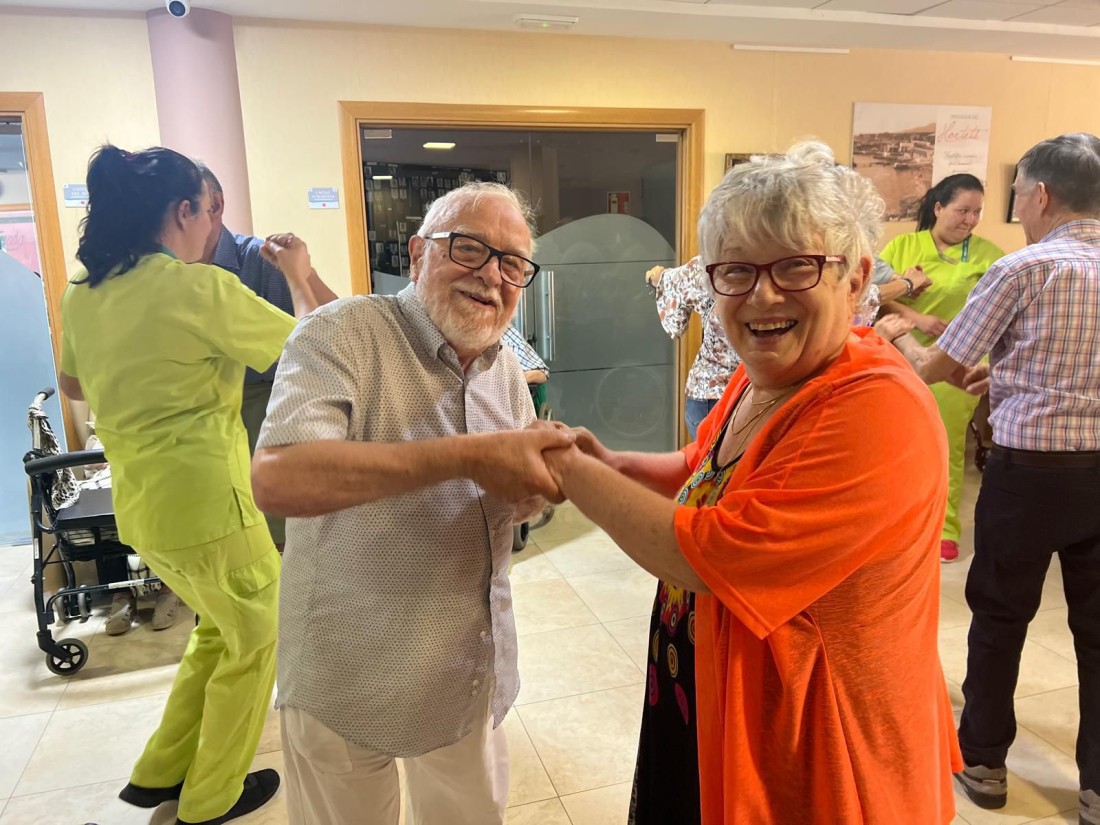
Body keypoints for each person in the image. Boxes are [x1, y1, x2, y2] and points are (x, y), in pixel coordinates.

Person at [542, 141, 962, 824]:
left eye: (795, 266)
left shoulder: (875, 407)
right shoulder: (765, 373)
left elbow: (714, 553)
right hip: (709, 695)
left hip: (816, 748)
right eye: (736, 271)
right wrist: (611, 462)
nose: (762, 295)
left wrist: (570, 472)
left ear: (855, 278)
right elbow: (700, 467)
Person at [249, 181, 575, 825]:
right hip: (347, 671)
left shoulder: (506, 369)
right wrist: (469, 456)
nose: (492, 275)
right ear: (419, 253)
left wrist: (530, 493)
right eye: (470, 249)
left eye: (513, 263)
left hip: (465, 671)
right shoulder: (341, 332)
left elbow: (504, 498)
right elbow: (280, 478)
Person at [58, 145, 320, 824]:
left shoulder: (84, 290)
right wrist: (299, 274)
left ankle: (161, 769)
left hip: (142, 507)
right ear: (184, 211)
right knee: (260, 635)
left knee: (219, 630)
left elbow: (74, 385)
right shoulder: (199, 289)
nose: (213, 224)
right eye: (208, 210)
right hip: (211, 510)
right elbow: (315, 354)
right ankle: (211, 797)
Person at [875, 133, 1100, 825]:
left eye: (1015, 197)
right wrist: (1004, 375)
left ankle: (984, 763)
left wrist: (894, 334)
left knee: (1000, 617)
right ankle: (1095, 788)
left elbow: (932, 367)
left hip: (1028, 475)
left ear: (1041, 194)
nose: (1013, 212)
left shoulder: (1023, 269)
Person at [196, 164, 338, 551]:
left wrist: (304, 275)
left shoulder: (259, 260)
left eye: (185, 209)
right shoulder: (171, 275)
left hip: (263, 412)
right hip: (205, 426)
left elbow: (329, 330)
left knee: (276, 539)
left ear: (215, 205)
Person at [878, 173, 1004, 562]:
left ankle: (944, 527)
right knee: (893, 445)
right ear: (938, 208)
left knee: (945, 446)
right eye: (962, 210)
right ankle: (895, 523)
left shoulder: (989, 256)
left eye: (977, 212)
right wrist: (916, 318)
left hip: (957, 366)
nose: (970, 219)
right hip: (898, 356)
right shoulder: (903, 246)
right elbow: (873, 296)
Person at [645, 257, 740, 438]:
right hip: (719, 398)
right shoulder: (785, 268)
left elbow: (675, 323)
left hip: (713, 394)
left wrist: (654, 277)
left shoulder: (708, 265)